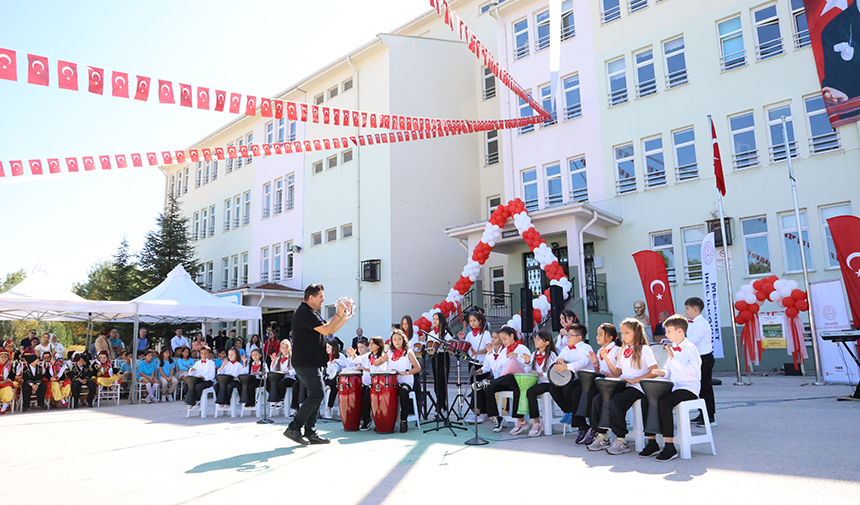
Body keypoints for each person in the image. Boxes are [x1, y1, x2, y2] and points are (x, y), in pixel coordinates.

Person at [283, 284, 349, 446]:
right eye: (321, 296)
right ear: (311, 297)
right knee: (317, 394)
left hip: (310, 362)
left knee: (314, 394)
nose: (323, 299)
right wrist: (338, 313)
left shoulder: (310, 312)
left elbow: (330, 329)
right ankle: (294, 427)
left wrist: (344, 316)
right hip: (306, 362)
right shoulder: (305, 312)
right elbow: (327, 330)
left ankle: (310, 432)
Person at [588, 318, 658, 455]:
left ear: (636, 332)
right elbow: (617, 372)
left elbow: (654, 371)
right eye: (622, 333)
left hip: (638, 387)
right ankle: (602, 436)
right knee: (598, 399)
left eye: (627, 332)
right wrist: (607, 359)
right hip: (624, 384)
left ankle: (621, 439)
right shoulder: (624, 350)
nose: (624, 336)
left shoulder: (644, 349)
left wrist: (636, 379)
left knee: (616, 402)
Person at [639, 314, 702, 461]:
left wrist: (675, 358)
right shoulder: (672, 348)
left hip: (688, 388)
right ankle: (652, 440)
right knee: (647, 399)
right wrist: (662, 373)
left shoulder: (690, 348)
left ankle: (669, 445)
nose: (666, 334)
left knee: (664, 402)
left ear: (680, 331)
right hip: (674, 387)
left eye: (668, 331)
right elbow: (669, 371)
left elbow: (694, 372)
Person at [550, 323, 594, 442]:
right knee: (553, 388)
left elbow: (583, 363)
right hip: (573, 379)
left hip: (586, 379)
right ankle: (569, 412)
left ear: (579, 337)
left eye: (570, 335)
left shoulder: (585, 347)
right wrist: (559, 360)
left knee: (569, 389)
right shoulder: (566, 349)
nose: (567, 338)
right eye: (567, 335)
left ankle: (581, 424)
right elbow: (557, 360)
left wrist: (567, 366)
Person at [371, 330, 421, 433]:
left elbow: (418, 368)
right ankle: (384, 420)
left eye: (399, 339)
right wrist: (380, 359)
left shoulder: (408, 352)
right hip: (391, 383)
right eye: (394, 339)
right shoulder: (390, 353)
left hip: (405, 381)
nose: (397, 342)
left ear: (403, 340)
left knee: (403, 391)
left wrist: (405, 373)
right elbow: (376, 363)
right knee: (381, 392)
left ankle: (403, 420)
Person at [580, 323, 621, 446]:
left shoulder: (617, 351)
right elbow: (598, 372)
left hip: (613, 384)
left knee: (592, 395)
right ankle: (587, 425)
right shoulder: (600, 350)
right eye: (598, 334)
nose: (597, 337)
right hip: (602, 381)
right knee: (580, 390)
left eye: (600, 334)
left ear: (610, 337)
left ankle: (596, 430)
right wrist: (595, 364)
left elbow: (618, 372)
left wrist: (604, 367)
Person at [483, 326, 530, 434]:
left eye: (504, 339)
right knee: (488, 388)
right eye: (502, 339)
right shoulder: (504, 351)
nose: (503, 342)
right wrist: (490, 353)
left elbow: (528, 364)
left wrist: (515, 355)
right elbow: (495, 367)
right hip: (505, 381)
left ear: (512, 336)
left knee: (509, 377)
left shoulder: (521, 348)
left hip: (519, 380)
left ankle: (521, 421)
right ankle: (497, 417)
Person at [685, 297, 716, 427]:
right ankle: (701, 413)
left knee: (705, 387)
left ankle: (710, 416)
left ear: (695, 309)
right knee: (699, 388)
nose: (685, 311)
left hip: (704, 358)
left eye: (687, 308)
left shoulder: (702, 323)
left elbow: (692, 341)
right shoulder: (692, 323)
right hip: (697, 359)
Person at [520, 331, 558, 437]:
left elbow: (554, 373)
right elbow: (528, 371)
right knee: (523, 390)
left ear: (546, 342)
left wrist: (540, 374)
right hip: (538, 382)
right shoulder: (534, 354)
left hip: (548, 382)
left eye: (538, 339)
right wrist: (527, 363)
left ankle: (536, 422)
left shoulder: (551, 355)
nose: (535, 341)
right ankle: (521, 420)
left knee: (531, 392)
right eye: (535, 338)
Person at [346, 336, 386, 431]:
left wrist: (365, 369)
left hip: (378, 385)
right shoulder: (368, 356)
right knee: (364, 400)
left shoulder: (382, 357)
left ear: (379, 346)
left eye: (373, 344)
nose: (371, 346)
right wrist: (353, 355)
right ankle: (365, 419)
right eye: (370, 343)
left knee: (370, 400)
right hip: (367, 383)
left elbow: (380, 370)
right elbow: (358, 360)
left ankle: (376, 420)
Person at [465, 332, 504, 424]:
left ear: (501, 340)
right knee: (477, 385)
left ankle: (485, 413)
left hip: (501, 377)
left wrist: (490, 353)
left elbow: (496, 366)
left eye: (495, 338)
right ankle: (477, 413)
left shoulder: (504, 351)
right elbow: (487, 366)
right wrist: (481, 370)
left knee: (483, 385)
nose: (492, 339)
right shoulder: (491, 350)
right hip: (493, 377)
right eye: (492, 337)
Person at [428, 312, 453, 419]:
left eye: (437, 319)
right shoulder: (431, 333)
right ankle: (441, 405)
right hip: (435, 358)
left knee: (443, 383)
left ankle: (440, 407)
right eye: (433, 319)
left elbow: (451, 344)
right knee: (436, 384)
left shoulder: (446, 333)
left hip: (443, 357)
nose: (434, 321)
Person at [322, 338, 350, 418]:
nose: (326, 349)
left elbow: (346, 364)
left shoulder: (340, 355)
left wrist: (337, 361)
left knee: (334, 387)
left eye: (328, 347)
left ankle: (328, 408)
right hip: (327, 377)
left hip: (337, 379)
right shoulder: (326, 357)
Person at [268, 339, 297, 411]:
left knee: (282, 382)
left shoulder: (292, 358)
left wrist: (287, 372)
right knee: (269, 382)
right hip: (280, 377)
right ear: (280, 349)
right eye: (283, 348)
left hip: (290, 378)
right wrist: (273, 362)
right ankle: (274, 398)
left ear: (290, 348)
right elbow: (272, 371)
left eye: (286, 348)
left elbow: (295, 370)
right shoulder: (278, 358)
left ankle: (280, 399)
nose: (284, 350)